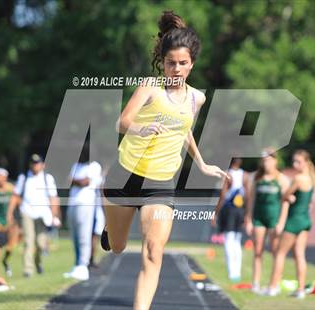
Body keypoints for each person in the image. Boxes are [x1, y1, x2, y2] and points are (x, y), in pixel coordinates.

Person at [101, 11, 229, 309]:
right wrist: (140, 128)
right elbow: (122, 122)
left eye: (183, 63)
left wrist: (201, 163)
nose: (176, 69)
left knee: (153, 251)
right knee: (117, 248)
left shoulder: (197, 98)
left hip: (159, 183)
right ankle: (109, 229)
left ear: (192, 64)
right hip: (124, 176)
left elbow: (184, 131)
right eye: (171, 62)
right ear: (163, 61)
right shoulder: (150, 86)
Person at [266, 150, 315, 299]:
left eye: (298, 162)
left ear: (306, 162)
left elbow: (284, 195)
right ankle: (301, 290)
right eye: (294, 161)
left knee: (280, 254)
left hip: (294, 220)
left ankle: (273, 287)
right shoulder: (312, 178)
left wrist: (289, 196)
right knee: (300, 255)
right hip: (305, 220)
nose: (295, 164)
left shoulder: (299, 178)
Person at [6, 154, 61, 277]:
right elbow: (15, 196)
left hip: (43, 214)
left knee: (41, 244)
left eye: (37, 163)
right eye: (33, 163)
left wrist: (54, 215)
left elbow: (53, 198)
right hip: (27, 212)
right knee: (28, 241)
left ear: (42, 165)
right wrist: (9, 212)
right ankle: (28, 270)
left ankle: (38, 262)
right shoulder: (24, 177)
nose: (35, 165)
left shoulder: (48, 178)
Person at [244, 149, 290, 293]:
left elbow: (285, 202)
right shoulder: (256, 178)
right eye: (264, 160)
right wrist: (248, 219)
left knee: (276, 252)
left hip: (274, 219)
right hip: (259, 218)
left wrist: (281, 222)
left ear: (275, 161)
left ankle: (274, 284)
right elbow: (251, 200)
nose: (266, 163)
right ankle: (256, 283)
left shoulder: (281, 179)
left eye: (269, 160)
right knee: (258, 251)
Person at [63, 146, 103, 280]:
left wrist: (76, 181)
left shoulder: (94, 166)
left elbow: (85, 182)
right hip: (73, 202)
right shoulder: (76, 165)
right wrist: (76, 181)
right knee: (74, 235)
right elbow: (69, 181)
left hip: (86, 203)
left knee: (84, 235)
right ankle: (77, 265)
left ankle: (83, 266)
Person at [213, 158, 250, 283]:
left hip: (229, 210)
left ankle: (232, 273)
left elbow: (223, 195)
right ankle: (237, 272)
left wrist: (215, 213)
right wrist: (247, 213)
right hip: (240, 210)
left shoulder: (227, 174)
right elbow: (248, 196)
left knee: (229, 240)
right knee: (237, 241)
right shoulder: (245, 175)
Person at [89, 187, 105, 269]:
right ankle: (86, 260)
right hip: (88, 209)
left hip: (97, 210)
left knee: (95, 236)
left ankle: (91, 259)